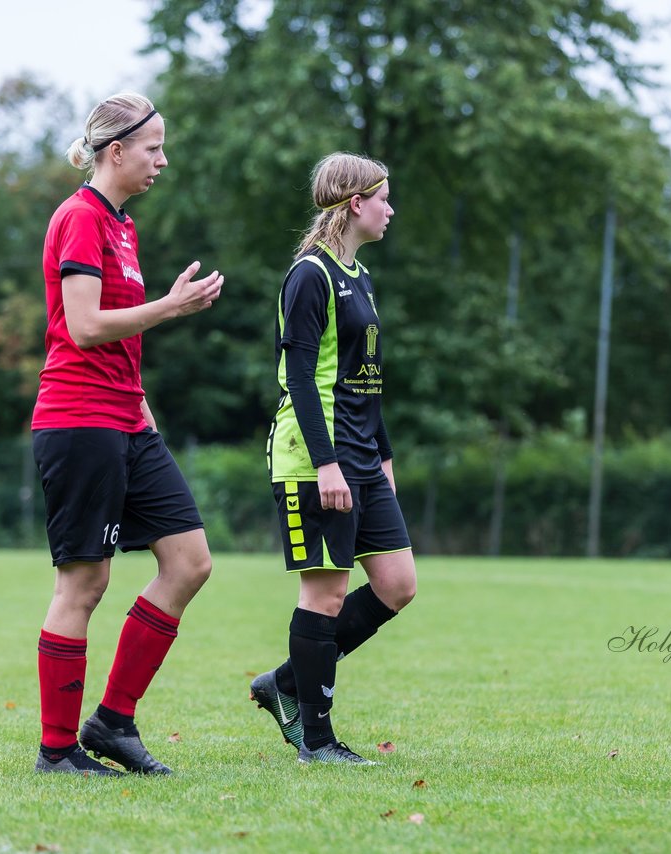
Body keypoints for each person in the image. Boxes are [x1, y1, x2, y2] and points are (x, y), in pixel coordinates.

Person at [30, 92, 224, 776]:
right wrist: (169, 307)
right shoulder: (80, 218)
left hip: (127, 420)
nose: (162, 161)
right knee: (84, 583)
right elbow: (83, 328)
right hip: (79, 420)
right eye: (153, 148)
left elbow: (117, 341)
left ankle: (112, 723)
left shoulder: (122, 226)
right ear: (116, 152)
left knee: (190, 560)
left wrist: (141, 409)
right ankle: (57, 753)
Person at [249, 152, 416, 765]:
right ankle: (316, 740)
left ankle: (284, 681)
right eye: (383, 198)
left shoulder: (360, 276)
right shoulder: (309, 276)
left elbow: (364, 378)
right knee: (324, 595)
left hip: (362, 458)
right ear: (355, 203)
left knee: (398, 585)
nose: (390, 209)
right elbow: (298, 376)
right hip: (312, 457)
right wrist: (327, 465)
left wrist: (383, 454)